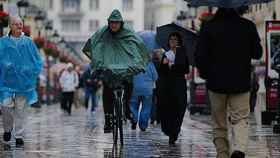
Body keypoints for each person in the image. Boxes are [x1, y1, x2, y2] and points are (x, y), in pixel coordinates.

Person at [195, 8, 262, 158]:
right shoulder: (247, 25)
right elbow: (257, 53)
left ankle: (222, 154)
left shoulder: (209, 27)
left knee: (219, 122)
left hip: (216, 83)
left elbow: (199, 56)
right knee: (240, 118)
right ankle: (239, 148)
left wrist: (206, 74)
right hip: (241, 82)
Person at [82, 9, 149, 133]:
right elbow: (94, 44)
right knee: (107, 90)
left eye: (116, 22)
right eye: (112, 22)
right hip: (108, 68)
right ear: (109, 22)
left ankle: (126, 108)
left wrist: (137, 63)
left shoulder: (128, 32)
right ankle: (108, 119)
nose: (114, 25)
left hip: (125, 67)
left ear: (121, 23)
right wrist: (98, 64)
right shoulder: (103, 32)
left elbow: (137, 45)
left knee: (129, 83)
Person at [0, 16, 43, 146]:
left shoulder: (28, 42)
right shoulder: (2, 42)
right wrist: (4, 64)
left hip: (23, 83)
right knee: (6, 106)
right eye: (16, 24)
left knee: (20, 109)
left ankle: (18, 135)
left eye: (20, 24)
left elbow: (37, 60)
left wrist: (29, 69)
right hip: (6, 82)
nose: (19, 26)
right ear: (10, 26)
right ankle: (7, 129)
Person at [158, 32, 189, 144]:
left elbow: (186, 69)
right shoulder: (166, 53)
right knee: (168, 109)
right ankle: (170, 131)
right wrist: (164, 63)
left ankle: (175, 131)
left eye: (175, 39)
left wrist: (173, 65)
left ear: (179, 41)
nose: (172, 41)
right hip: (167, 86)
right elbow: (161, 72)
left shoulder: (182, 53)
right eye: (171, 39)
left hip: (179, 85)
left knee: (179, 108)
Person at [130, 61, 158, 131]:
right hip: (147, 89)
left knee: (133, 104)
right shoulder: (150, 64)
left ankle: (134, 118)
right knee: (146, 107)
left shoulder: (134, 63)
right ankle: (143, 125)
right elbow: (155, 76)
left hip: (135, 87)